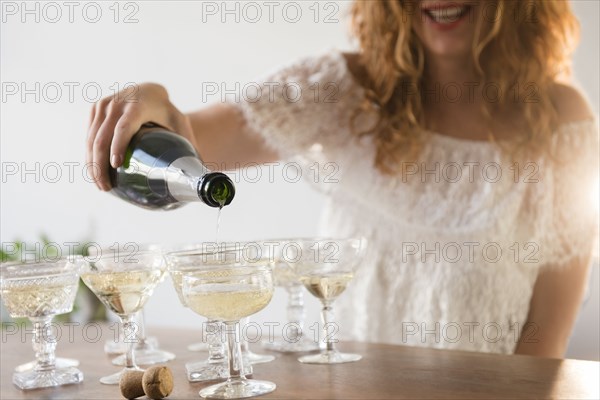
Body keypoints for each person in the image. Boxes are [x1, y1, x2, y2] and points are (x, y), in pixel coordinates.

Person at [86, 0, 598, 357]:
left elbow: (544, 346)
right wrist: (152, 99)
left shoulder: (561, 121)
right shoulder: (340, 91)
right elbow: (194, 137)